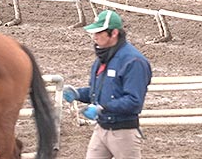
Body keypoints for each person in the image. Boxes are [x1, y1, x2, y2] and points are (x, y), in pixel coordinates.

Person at [62, 10, 152, 159]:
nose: (94, 36)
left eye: (99, 32)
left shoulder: (134, 62)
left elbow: (134, 101)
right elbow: (98, 92)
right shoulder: (102, 59)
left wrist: (103, 107)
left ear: (114, 33)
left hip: (123, 133)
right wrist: (78, 94)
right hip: (101, 128)